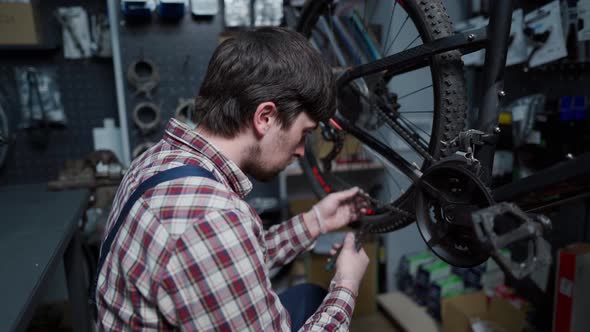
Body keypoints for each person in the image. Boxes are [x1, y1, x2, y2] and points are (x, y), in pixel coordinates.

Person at [96, 27, 370, 331]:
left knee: (311, 295)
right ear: (265, 117)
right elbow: (215, 242)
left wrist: (316, 221)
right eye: (304, 133)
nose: (302, 151)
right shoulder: (211, 219)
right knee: (325, 297)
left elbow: (230, 260)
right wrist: (347, 284)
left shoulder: (157, 159)